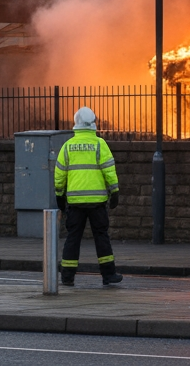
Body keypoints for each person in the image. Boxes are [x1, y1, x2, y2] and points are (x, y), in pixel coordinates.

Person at [54, 107, 122, 286]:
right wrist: (114, 191)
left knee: (73, 238)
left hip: (75, 202)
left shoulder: (68, 146)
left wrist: (59, 194)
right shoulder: (100, 144)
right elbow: (109, 170)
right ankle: (108, 275)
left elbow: (59, 173)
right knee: (101, 237)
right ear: (94, 123)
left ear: (76, 123)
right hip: (97, 202)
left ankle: (67, 277)